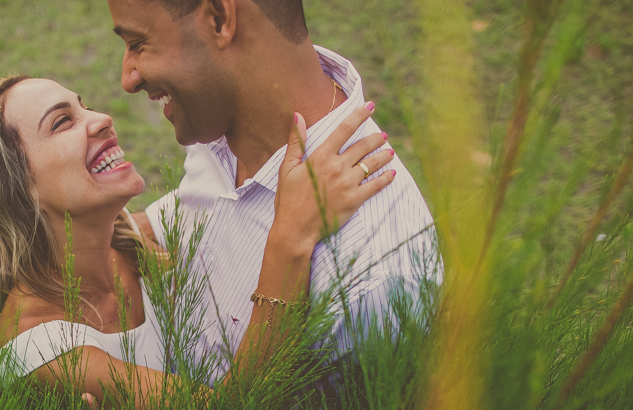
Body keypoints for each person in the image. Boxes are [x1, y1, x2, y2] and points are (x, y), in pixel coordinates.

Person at [0, 75, 396, 410]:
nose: (101, 119)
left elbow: (218, 202)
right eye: (63, 122)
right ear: (15, 190)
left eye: (84, 107)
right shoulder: (42, 350)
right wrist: (292, 237)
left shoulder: (126, 238)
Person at [109, 0, 440, 383]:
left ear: (219, 19)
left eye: (138, 43)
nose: (128, 79)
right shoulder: (217, 119)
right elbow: (191, 219)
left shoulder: (370, 281)